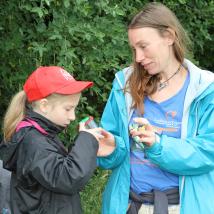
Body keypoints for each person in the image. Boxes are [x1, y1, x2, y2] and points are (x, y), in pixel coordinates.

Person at [97, 2, 214, 214]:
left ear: (169, 36)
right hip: (128, 205)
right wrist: (109, 147)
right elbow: (115, 151)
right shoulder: (124, 83)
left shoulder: (205, 89)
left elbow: (208, 152)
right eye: (134, 49)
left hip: (183, 207)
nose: (138, 58)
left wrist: (158, 145)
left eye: (143, 46)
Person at [0, 66, 115, 214]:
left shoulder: (41, 134)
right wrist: (86, 141)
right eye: (68, 109)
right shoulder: (33, 141)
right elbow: (68, 178)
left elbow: (57, 169)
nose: (73, 116)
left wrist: (85, 147)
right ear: (44, 106)